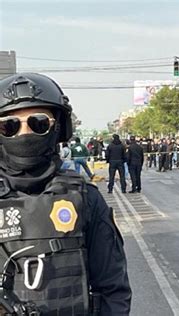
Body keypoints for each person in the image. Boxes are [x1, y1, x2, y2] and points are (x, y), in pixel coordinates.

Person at [0, 73, 131, 315]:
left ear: (59, 128)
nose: (24, 134)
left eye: (38, 123)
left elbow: (114, 290)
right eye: (9, 126)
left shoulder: (85, 198)